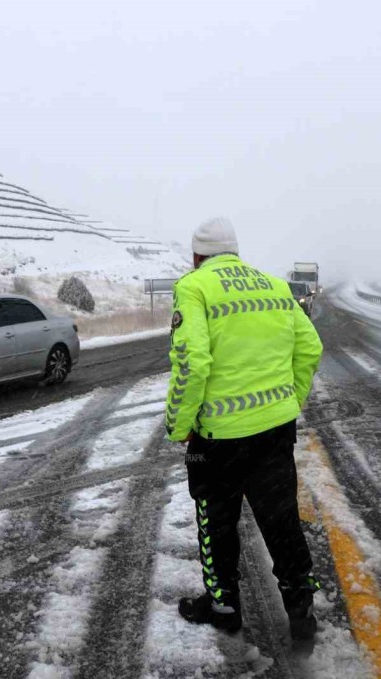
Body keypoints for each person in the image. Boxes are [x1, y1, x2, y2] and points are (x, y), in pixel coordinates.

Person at [165, 217, 324, 640]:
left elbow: (193, 363)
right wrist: (290, 402)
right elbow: (310, 347)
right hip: (274, 431)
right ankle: (301, 605)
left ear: (197, 255)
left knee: (216, 523)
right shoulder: (274, 286)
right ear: (234, 251)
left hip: (217, 440)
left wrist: (178, 424)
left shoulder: (194, 286)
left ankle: (224, 607)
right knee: (282, 520)